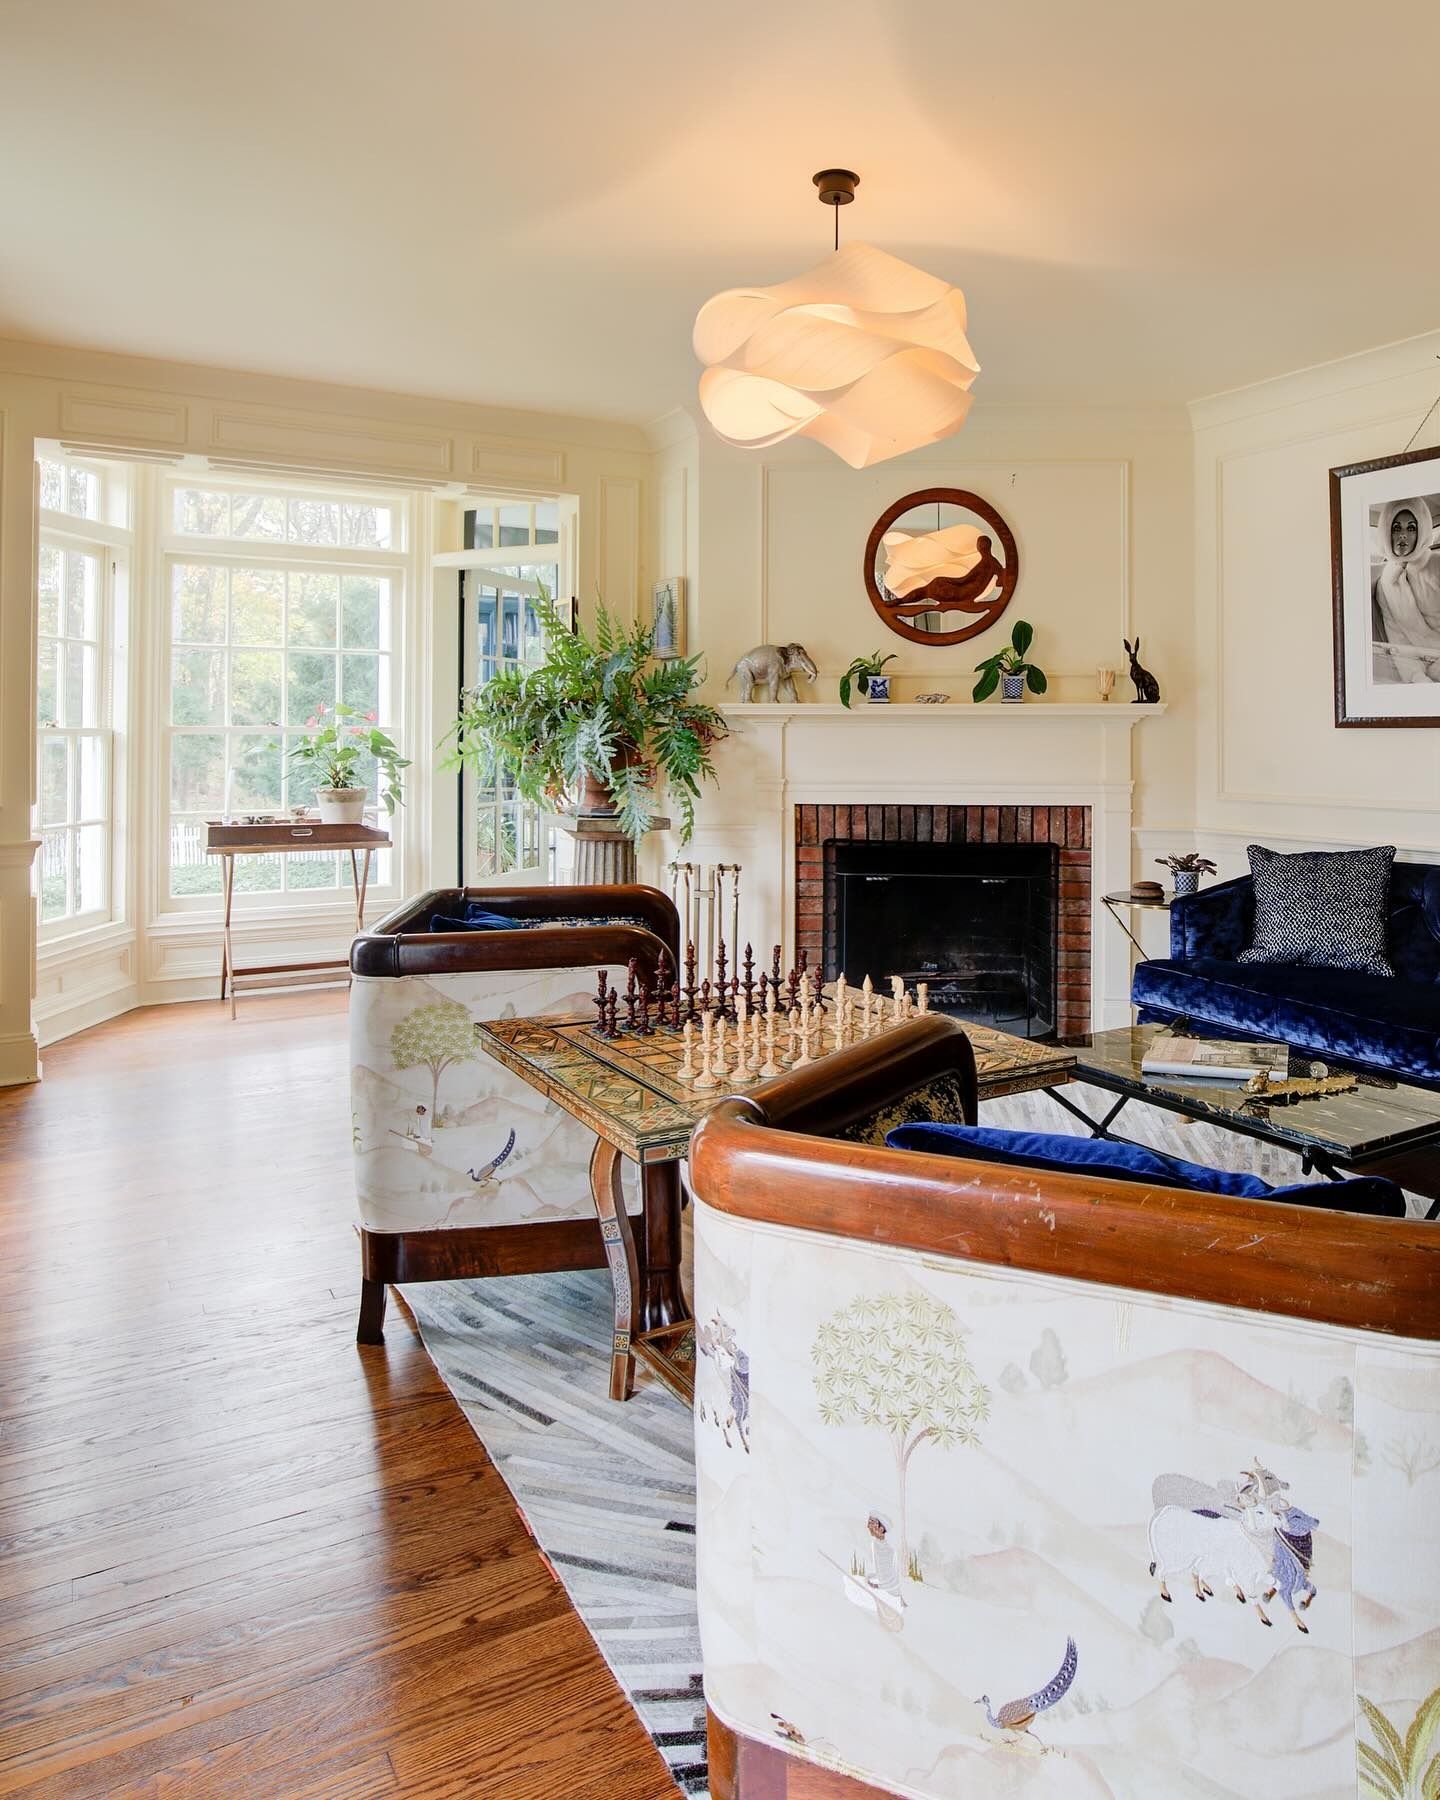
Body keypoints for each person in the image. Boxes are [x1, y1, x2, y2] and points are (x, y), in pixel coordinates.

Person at [1372, 497, 1440, 682]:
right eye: (1396, 528)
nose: (1403, 535)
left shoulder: (1437, 564)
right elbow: (1397, 638)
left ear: (1421, 532)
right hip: (1421, 669)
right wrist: (1416, 677)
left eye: (1411, 528)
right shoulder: (1385, 583)